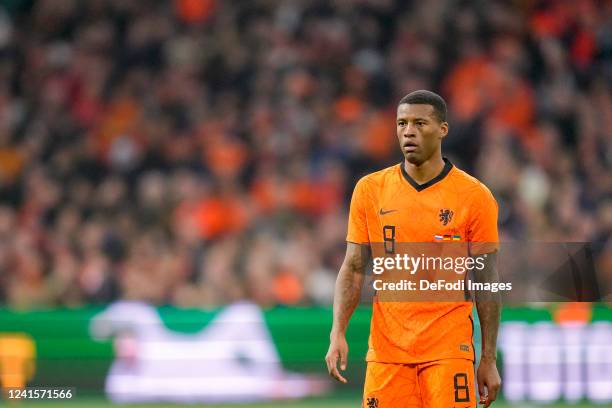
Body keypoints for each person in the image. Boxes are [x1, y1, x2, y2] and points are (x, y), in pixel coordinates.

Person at [325, 90, 502, 407]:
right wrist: (337, 331)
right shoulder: (370, 190)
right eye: (402, 123)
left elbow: (487, 281)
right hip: (387, 353)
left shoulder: (474, 196)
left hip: (449, 351)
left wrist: (488, 357)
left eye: (420, 123)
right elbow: (352, 268)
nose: (409, 131)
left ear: (443, 129)